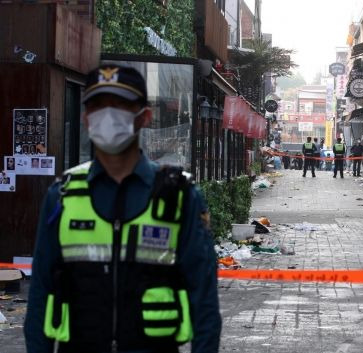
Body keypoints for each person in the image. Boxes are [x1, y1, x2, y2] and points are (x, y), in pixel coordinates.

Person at [24, 65, 221, 353]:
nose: (108, 116)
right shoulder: (64, 196)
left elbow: (203, 303)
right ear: (86, 119)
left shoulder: (178, 196)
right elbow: (40, 295)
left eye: (120, 105)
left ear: (144, 117)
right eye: (98, 106)